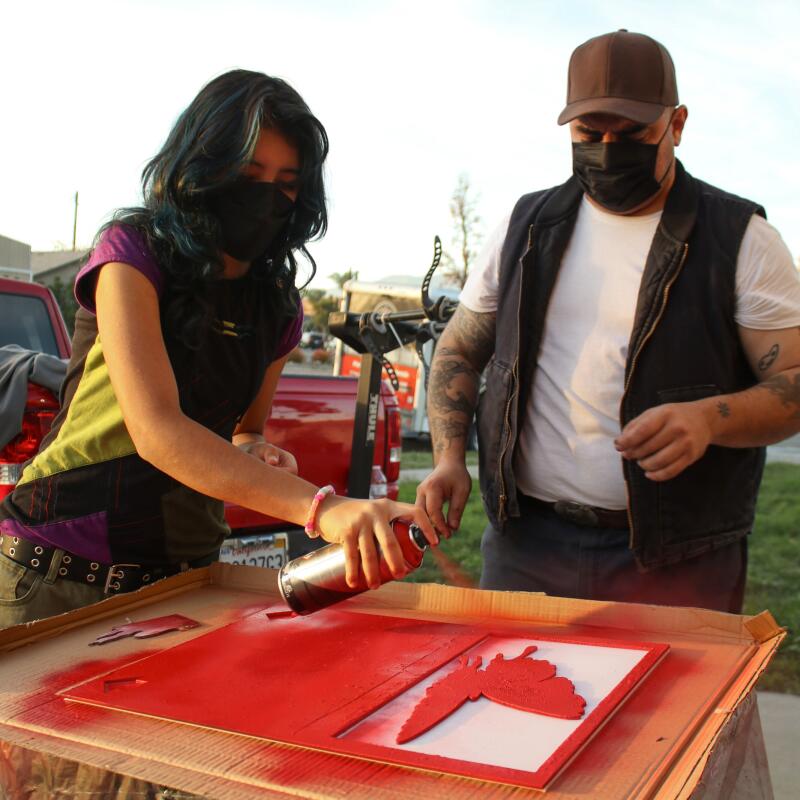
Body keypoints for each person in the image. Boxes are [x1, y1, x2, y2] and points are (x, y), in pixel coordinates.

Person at [0, 70, 436, 628]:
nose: (264, 197)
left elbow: (243, 431)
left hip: (185, 577)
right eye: (249, 174)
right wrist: (322, 509)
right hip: (58, 572)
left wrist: (255, 449)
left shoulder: (278, 305)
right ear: (202, 167)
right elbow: (157, 431)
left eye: (285, 182)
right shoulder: (130, 256)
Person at [417, 30, 800, 613]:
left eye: (632, 134)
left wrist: (709, 419)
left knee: (669, 707)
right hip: (528, 546)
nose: (607, 149)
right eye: (588, 135)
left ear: (677, 124)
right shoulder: (527, 226)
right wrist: (449, 458)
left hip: (677, 561)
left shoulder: (740, 239)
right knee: (514, 697)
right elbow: (459, 351)